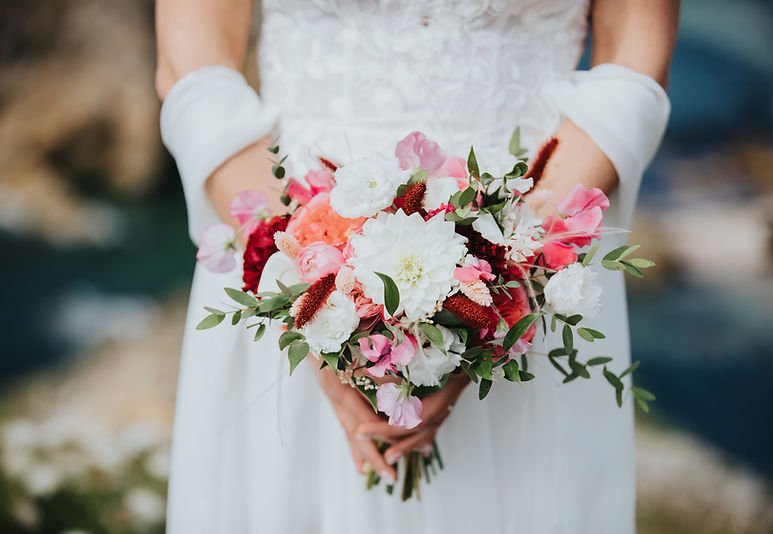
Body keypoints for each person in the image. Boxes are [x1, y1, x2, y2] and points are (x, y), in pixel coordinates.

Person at [156, 1, 678, 532]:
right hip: (293, 242)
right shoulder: (299, 278)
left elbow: (632, 63)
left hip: (526, 259)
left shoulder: (511, 269)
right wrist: (310, 304)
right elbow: (194, 68)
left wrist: (496, 291)